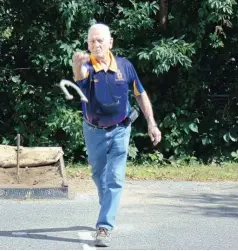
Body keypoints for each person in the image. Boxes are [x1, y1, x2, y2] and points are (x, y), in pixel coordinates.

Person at [72, 23, 162, 247]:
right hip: (93, 131)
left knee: (115, 179)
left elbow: (140, 95)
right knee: (98, 173)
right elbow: (79, 76)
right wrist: (76, 64)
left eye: (100, 40)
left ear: (110, 42)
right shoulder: (88, 67)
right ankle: (107, 205)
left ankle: (104, 226)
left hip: (122, 129)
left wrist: (152, 123)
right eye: (92, 41)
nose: (96, 44)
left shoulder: (125, 66)